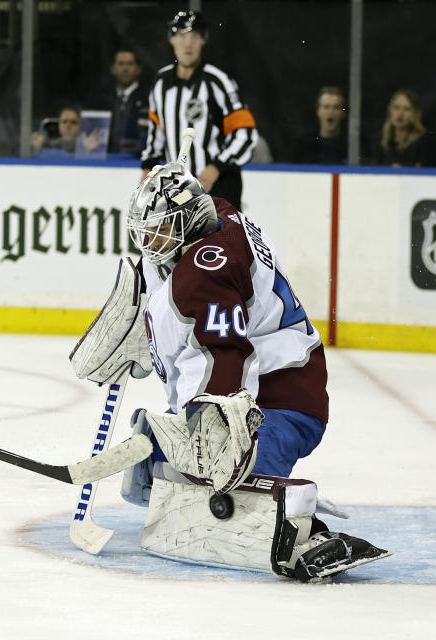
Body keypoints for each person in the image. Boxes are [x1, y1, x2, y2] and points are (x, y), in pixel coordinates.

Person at [69, 162, 390, 582]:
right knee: (195, 460)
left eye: (160, 231)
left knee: (235, 478)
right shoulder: (215, 212)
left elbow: (224, 357)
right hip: (274, 384)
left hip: (282, 400)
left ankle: (298, 524)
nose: (149, 242)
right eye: (145, 232)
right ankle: (172, 461)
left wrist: (206, 425)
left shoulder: (208, 273)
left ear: (186, 224)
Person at [140, 10, 257, 208]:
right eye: (182, 36)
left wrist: (217, 167)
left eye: (194, 37)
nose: (188, 44)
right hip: (177, 190)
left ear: (203, 41)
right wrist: (147, 170)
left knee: (218, 240)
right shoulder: (161, 82)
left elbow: (245, 134)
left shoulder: (217, 82)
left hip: (220, 188)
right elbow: (156, 135)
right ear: (172, 40)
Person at [99, 49, 149, 156]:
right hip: (108, 160)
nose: (125, 68)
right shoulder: (102, 99)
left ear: (138, 69)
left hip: (139, 161)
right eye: (121, 64)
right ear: (113, 69)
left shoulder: (149, 98)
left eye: (130, 64)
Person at [290, 87, 349, 165]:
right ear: (318, 111)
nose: (331, 111)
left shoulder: (354, 144)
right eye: (326, 107)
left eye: (336, 107)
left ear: (343, 113)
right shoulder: (303, 145)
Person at [375, 89, 434, 167]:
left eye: (406, 109)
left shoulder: (424, 142)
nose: (400, 114)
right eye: (396, 108)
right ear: (390, 111)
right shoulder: (381, 141)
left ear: (415, 113)